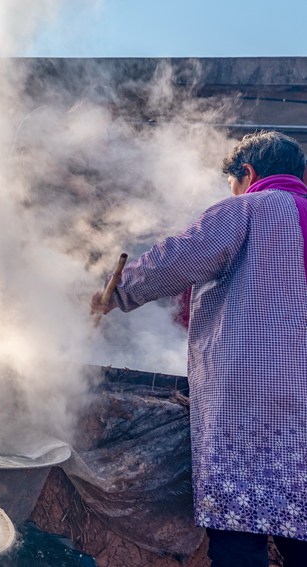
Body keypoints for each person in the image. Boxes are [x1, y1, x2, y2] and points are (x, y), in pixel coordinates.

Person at [91, 130, 307, 566]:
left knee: (240, 531)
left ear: (247, 173)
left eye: (232, 181)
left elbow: (181, 256)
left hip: (253, 399)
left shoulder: (249, 208)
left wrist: (118, 292)